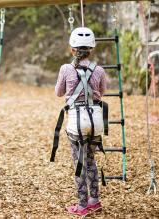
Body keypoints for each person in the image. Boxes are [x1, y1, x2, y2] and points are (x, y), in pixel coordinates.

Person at [55, 27, 107, 216]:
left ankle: (83, 205)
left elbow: (58, 93)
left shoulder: (66, 69)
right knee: (91, 159)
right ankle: (95, 201)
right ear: (91, 50)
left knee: (79, 163)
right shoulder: (99, 70)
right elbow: (102, 92)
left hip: (76, 121)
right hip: (95, 121)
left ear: (72, 49)